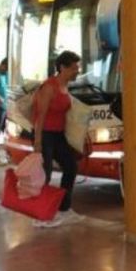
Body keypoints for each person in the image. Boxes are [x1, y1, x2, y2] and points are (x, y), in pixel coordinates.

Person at [32, 50, 84, 228]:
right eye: (74, 68)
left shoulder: (65, 86)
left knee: (71, 166)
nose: (77, 71)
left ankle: (64, 208)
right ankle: (40, 215)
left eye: (78, 67)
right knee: (44, 175)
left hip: (59, 135)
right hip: (45, 135)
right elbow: (40, 115)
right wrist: (38, 142)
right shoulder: (49, 87)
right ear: (62, 68)